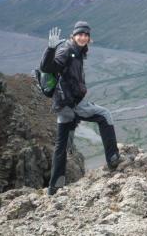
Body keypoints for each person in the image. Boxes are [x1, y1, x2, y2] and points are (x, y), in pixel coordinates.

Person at [40, 21, 121, 195]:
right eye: (80, 34)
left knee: (62, 145)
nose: (83, 37)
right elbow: (47, 67)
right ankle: (113, 159)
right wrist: (50, 49)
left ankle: (55, 187)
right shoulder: (66, 50)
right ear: (73, 35)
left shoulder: (78, 51)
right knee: (104, 115)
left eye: (86, 35)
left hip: (64, 104)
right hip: (70, 104)